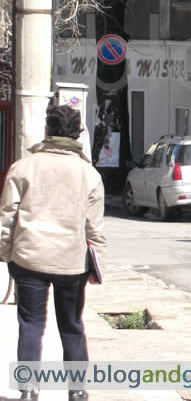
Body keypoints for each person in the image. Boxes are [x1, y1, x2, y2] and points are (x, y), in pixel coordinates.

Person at [0, 103, 106, 401]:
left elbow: (7, 218)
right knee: (72, 326)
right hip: (71, 264)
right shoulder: (90, 174)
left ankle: (29, 389)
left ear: (47, 131)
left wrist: (6, 254)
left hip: (29, 258)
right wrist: (96, 266)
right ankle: (77, 390)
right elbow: (94, 230)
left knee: (31, 325)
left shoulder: (23, 167)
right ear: (78, 134)